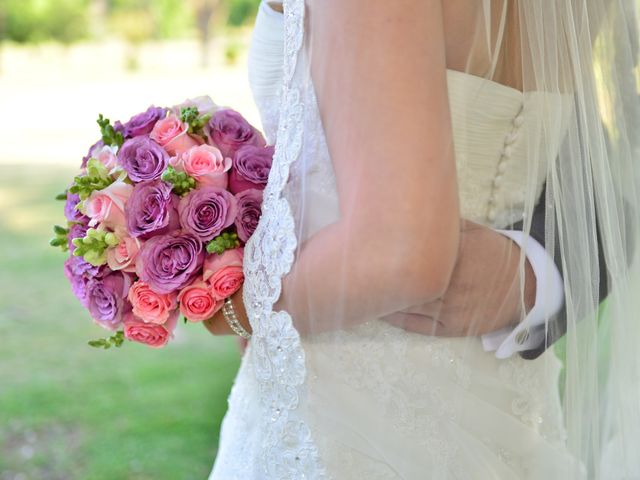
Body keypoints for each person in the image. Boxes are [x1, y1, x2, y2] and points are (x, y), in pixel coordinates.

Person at [205, 1, 640, 478]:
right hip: (503, 409)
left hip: (342, 421)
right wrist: (537, 272)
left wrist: (228, 300)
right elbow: (597, 160)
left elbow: (398, 255)